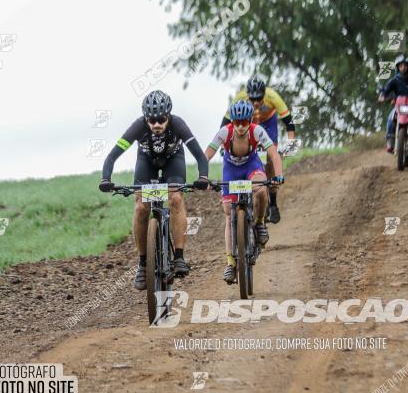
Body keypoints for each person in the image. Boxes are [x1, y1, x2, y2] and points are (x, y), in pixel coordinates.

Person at [99, 90, 209, 290]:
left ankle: (179, 256)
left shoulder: (179, 124)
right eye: (152, 120)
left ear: (168, 116)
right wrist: (106, 178)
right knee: (141, 207)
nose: (157, 124)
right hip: (146, 162)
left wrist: (203, 177)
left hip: (173, 161)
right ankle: (142, 264)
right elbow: (112, 156)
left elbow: (200, 156)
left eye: (161, 119)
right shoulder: (137, 127)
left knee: (175, 198)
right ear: (145, 118)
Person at [206, 99, 283, 284]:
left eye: (244, 122)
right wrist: (202, 176)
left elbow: (273, 153)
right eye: (237, 122)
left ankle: (258, 223)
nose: (241, 127)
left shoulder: (257, 130)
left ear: (250, 120)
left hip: (251, 165)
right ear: (232, 121)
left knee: (261, 190)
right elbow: (206, 155)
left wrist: (278, 175)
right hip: (231, 169)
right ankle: (231, 264)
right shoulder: (225, 132)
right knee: (227, 213)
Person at [220, 76, 295, 223]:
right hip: (248, 124)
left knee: (270, 158)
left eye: (259, 99)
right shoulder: (240, 97)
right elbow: (225, 123)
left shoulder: (273, 96)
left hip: (268, 123)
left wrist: (291, 141)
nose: (255, 103)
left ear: (264, 94)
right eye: (252, 99)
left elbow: (289, 121)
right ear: (247, 95)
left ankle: (273, 203)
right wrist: (224, 145)